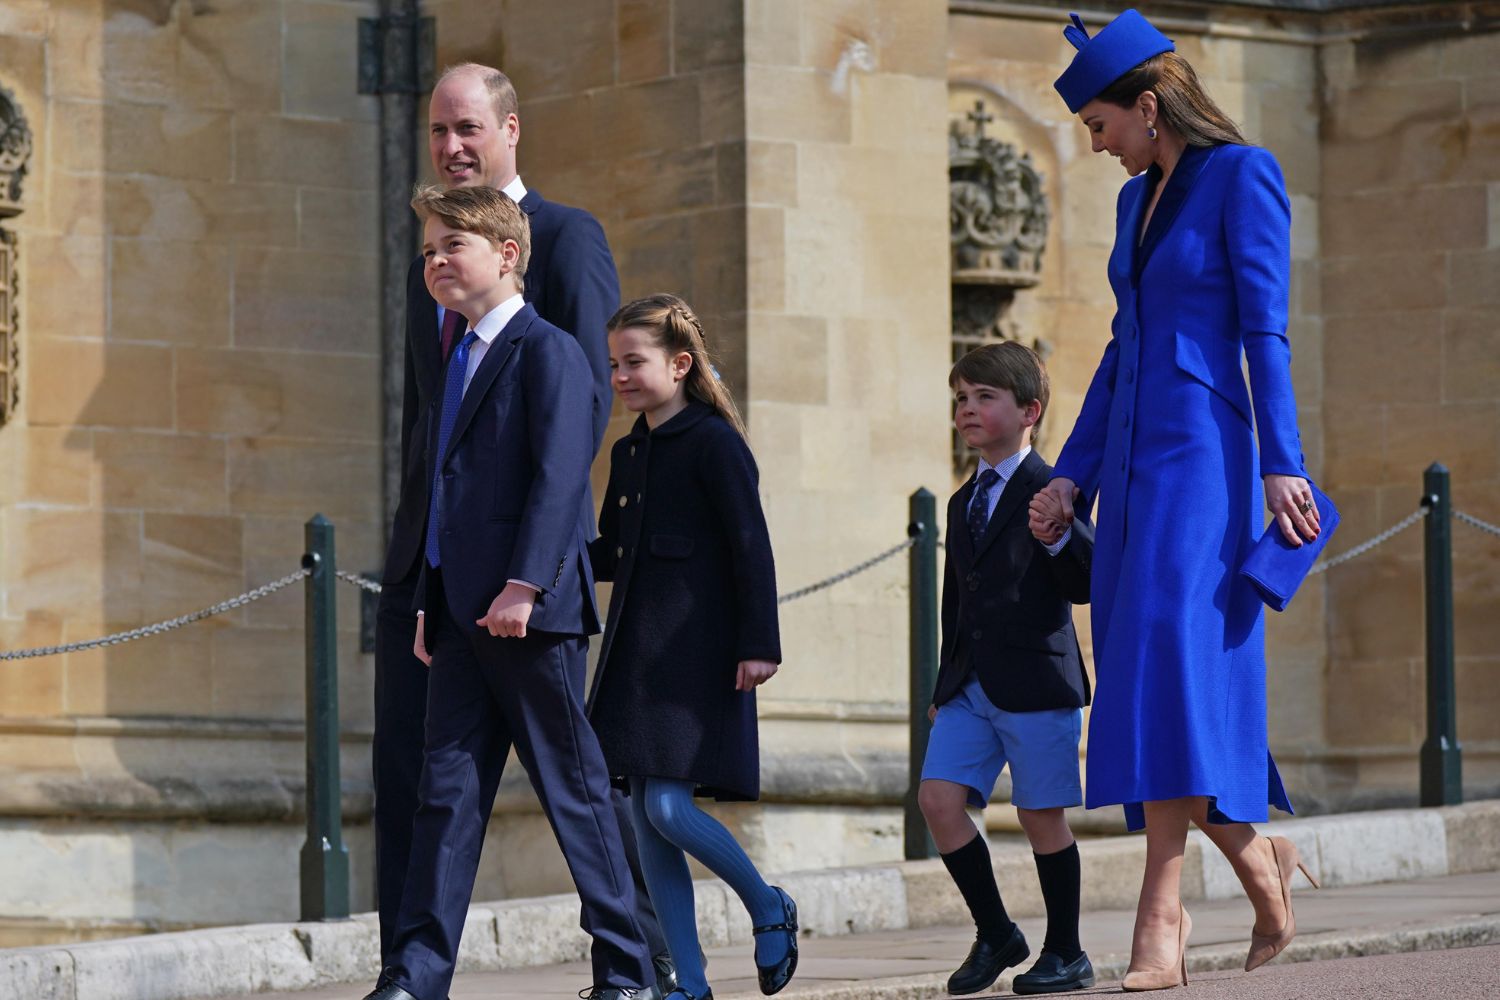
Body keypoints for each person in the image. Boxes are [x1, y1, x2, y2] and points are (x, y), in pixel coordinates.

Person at [1033, 9, 1322, 991]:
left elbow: (1264, 331)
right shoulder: (1131, 205)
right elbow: (1124, 345)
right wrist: (1071, 471)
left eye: (1102, 125)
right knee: (1146, 675)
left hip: (1206, 457)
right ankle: (1258, 857)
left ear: (1149, 107)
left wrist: (1281, 461)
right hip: (1132, 459)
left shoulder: (1244, 176)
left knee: (1166, 664)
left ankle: (1163, 910)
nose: (1097, 143)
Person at [371, 61, 675, 992]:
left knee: (573, 788)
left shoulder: (560, 254)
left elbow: (571, 428)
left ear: (509, 130)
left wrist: (530, 574)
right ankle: (414, 974)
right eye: (438, 131)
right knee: (439, 794)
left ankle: (635, 963)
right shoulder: (441, 286)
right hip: (444, 588)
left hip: (525, 593)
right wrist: (422, 586)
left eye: (469, 128)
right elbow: (430, 440)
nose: (453, 146)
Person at [585, 294, 799, 1000]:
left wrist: (758, 642)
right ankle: (689, 984)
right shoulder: (629, 450)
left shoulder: (714, 441)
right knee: (647, 825)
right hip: (634, 661)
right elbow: (609, 555)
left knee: (670, 811)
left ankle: (768, 906)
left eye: (633, 362)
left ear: (680, 365)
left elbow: (751, 547)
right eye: (613, 363)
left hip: (697, 656)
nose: (620, 375)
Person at [918, 342, 1096, 996]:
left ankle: (1067, 951)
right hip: (968, 685)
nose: (967, 408)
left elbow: (1084, 581)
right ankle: (996, 932)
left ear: (1029, 411)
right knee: (938, 801)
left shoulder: (1054, 487)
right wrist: (944, 683)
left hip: (1036, 682)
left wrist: (1061, 534)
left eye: (983, 397)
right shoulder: (962, 501)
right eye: (960, 398)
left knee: (1040, 815)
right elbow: (955, 601)